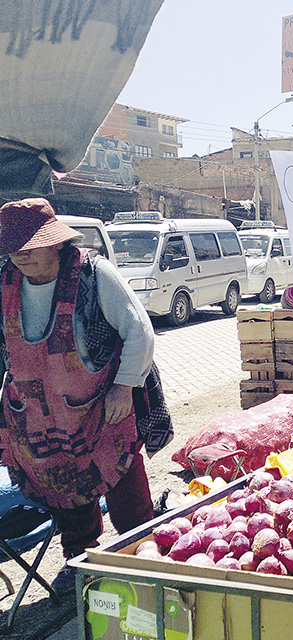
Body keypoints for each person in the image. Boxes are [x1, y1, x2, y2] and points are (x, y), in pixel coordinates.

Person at [0, 198, 161, 592]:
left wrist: (124, 385)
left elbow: (139, 331)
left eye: (31, 245)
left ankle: (141, 552)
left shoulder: (93, 273)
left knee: (124, 484)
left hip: (101, 409)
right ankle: (79, 558)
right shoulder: (6, 282)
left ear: (55, 242)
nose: (22, 255)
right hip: (38, 417)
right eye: (14, 247)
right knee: (62, 492)